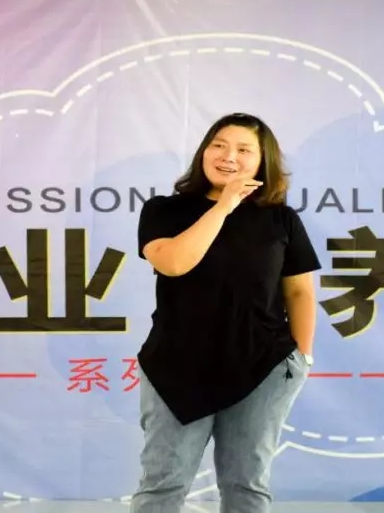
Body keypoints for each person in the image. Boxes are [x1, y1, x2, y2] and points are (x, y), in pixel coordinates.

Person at [130, 113, 321, 513]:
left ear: (262, 161)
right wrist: (223, 207)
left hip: (264, 365)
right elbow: (174, 263)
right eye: (218, 145)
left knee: (246, 484)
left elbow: (299, 291)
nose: (228, 156)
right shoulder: (165, 210)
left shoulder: (281, 218)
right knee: (164, 482)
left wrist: (302, 357)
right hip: (176, 365)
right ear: (203, 152)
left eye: (243, 149)